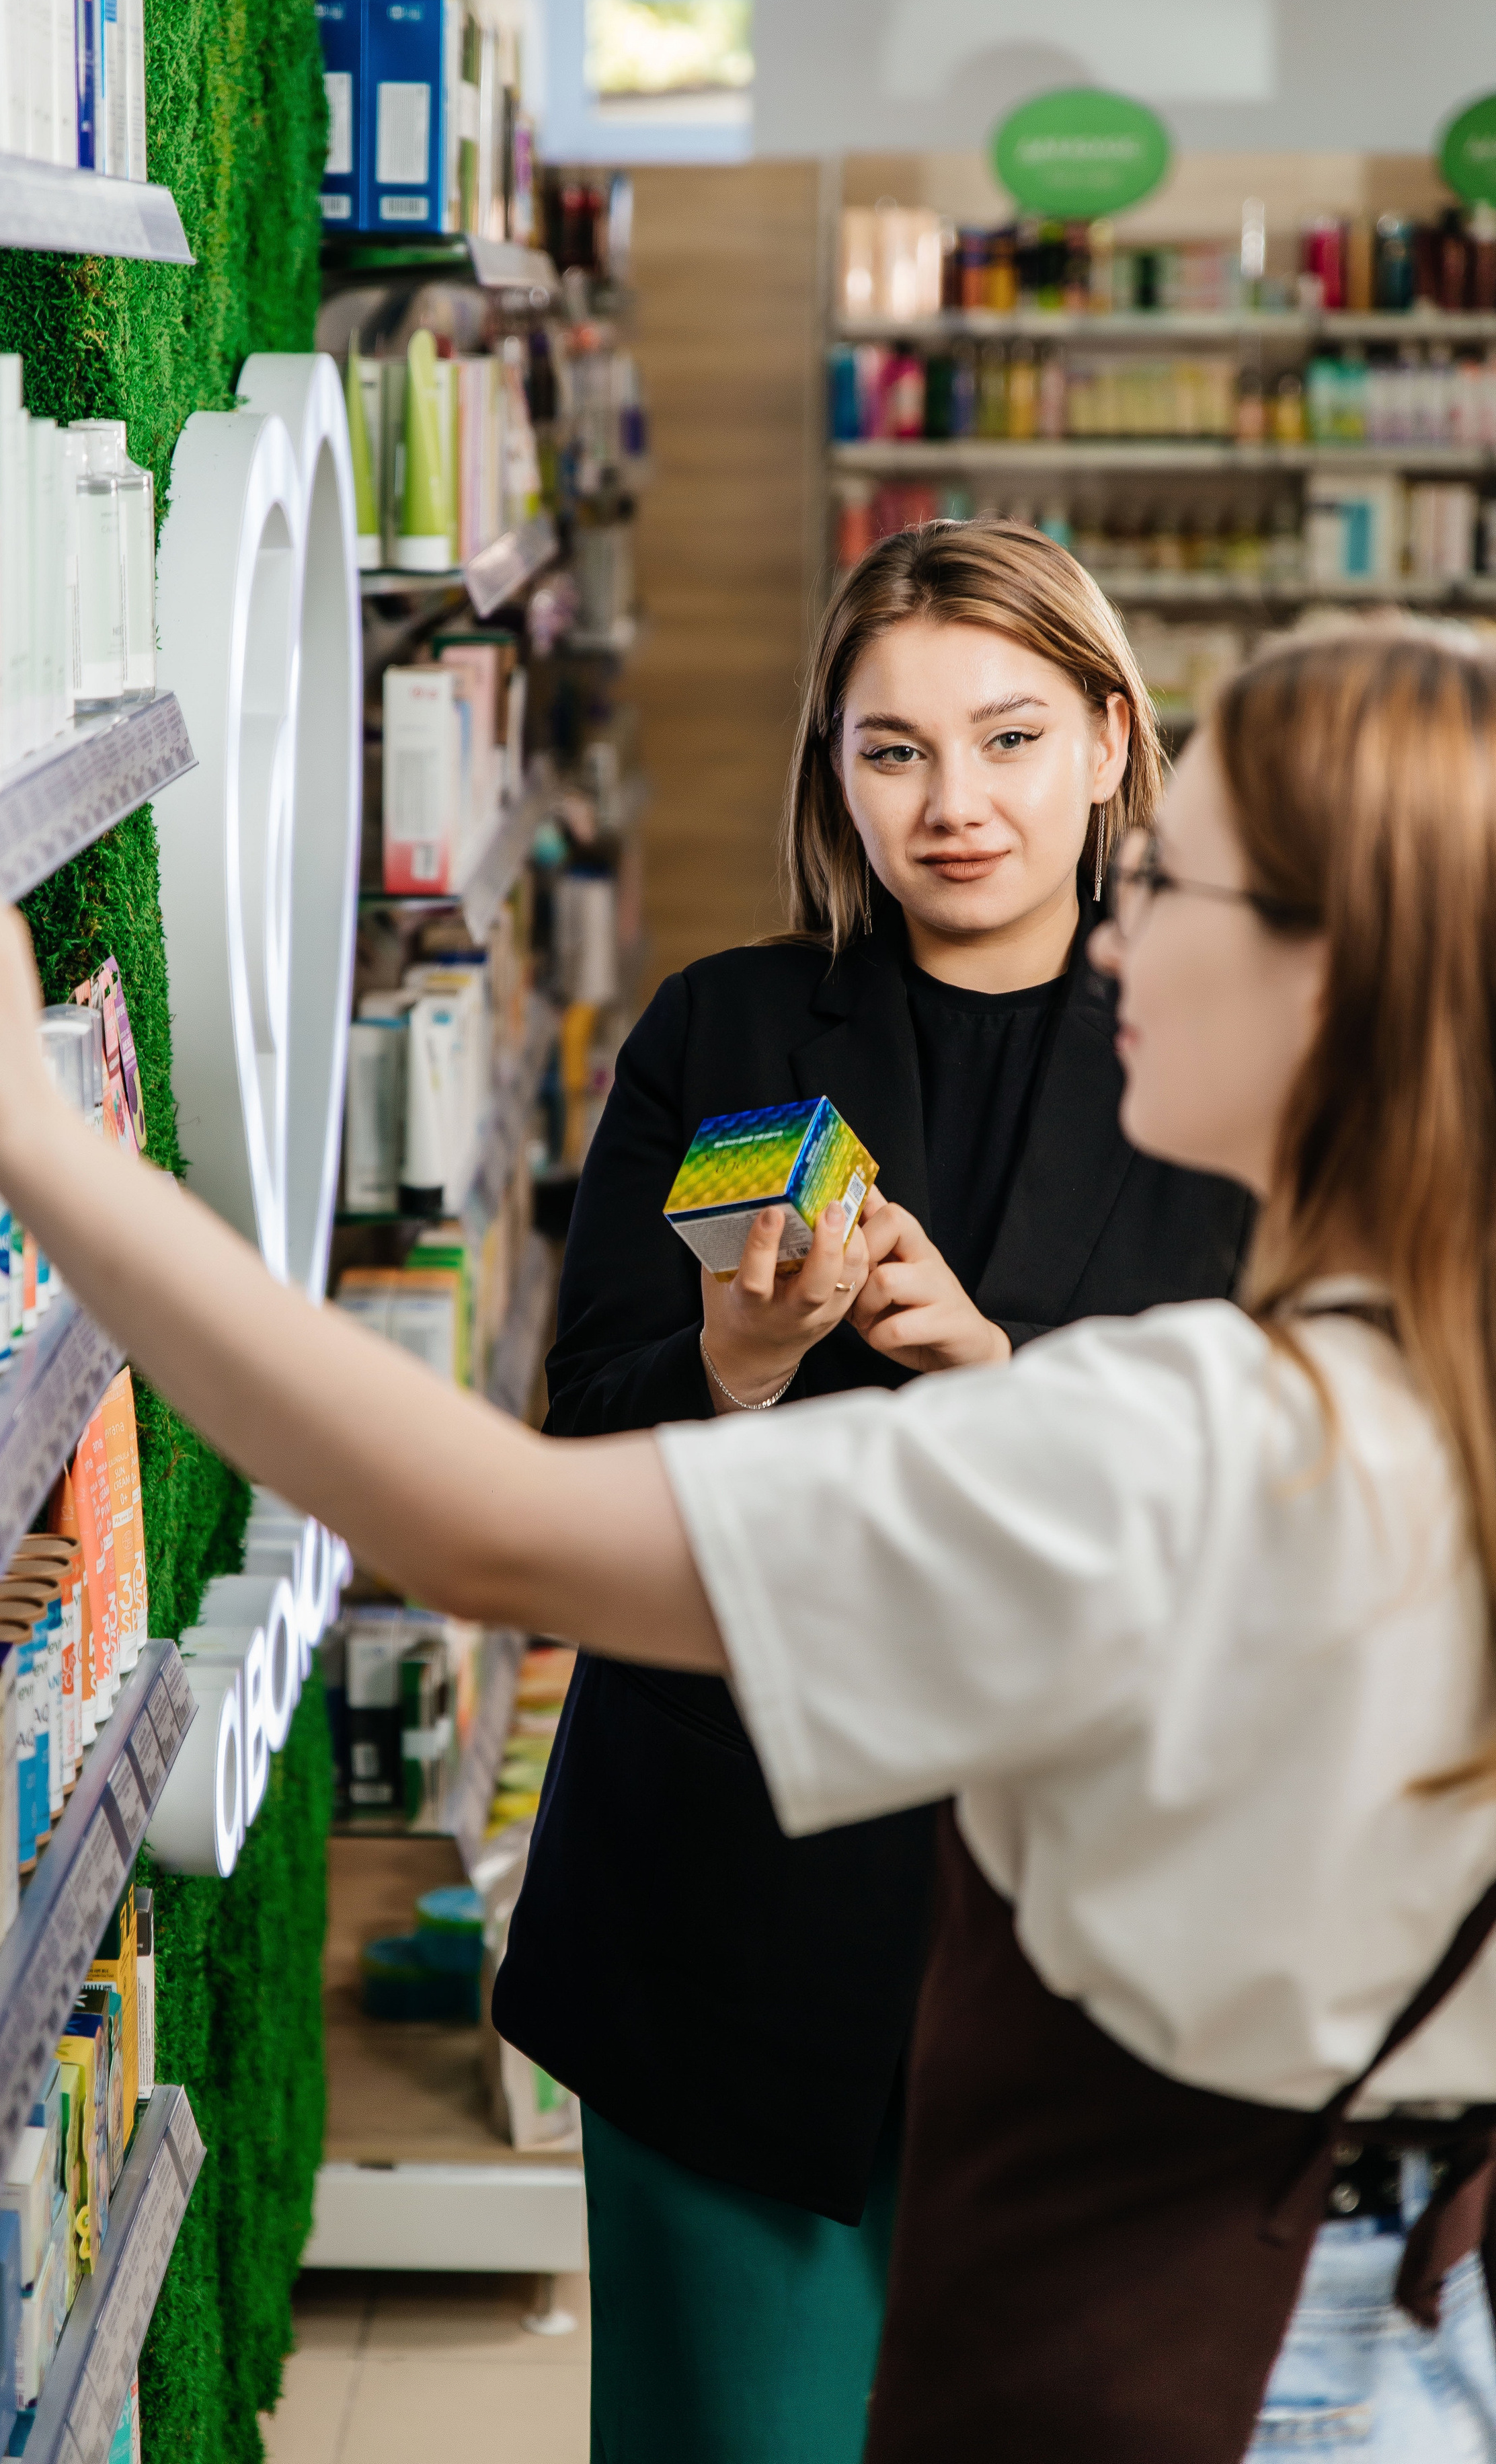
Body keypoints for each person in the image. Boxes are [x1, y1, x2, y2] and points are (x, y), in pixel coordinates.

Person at [0, 619, 1496, 2464]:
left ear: (1335, 978)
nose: (1110, 930)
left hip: (1217, 2343)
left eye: (1168, 880)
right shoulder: (1407, 1398)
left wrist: (25, 1132)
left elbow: (485, 1528)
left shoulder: (1188, 1441)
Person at [491, 518, 1254, 2461]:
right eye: (893, 750)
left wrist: (996, 1375)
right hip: (730, 1924)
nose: (957, 806)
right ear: (831, 770)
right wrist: (741, 1364)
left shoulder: (1237, 1050)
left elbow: (1291, 1477)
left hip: (1093, 1938)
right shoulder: (726, 1032)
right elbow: (579, 1465)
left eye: (1007, 740)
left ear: (1108, 738)